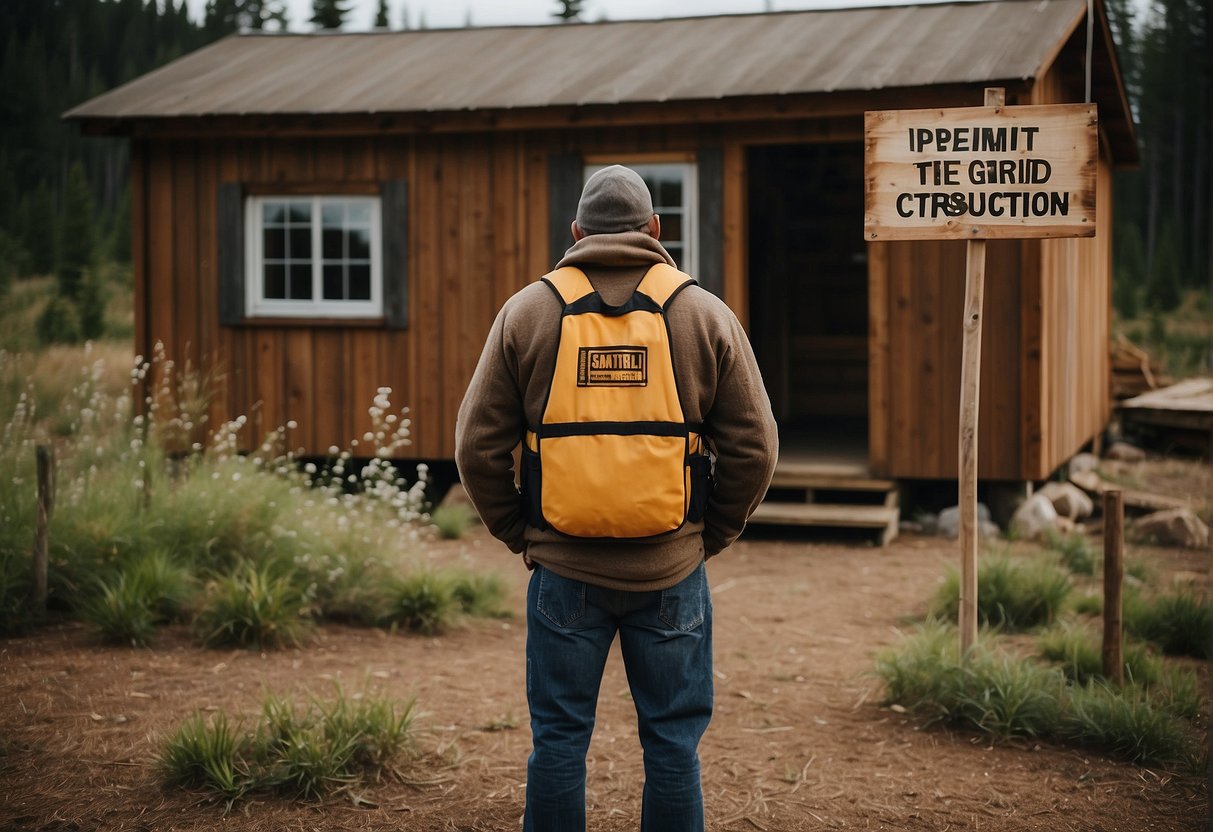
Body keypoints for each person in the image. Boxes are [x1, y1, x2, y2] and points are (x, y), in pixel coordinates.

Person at [455, 164, 777, 832]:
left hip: (562, 575)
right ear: (655, 231)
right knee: (671, 745)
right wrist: (706, 535)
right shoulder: (702, 312)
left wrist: (521, 532)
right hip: (671, 573)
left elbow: (475, 448)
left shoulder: (528, 311)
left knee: (559, 740)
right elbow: (755, 447)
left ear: (575, 232)